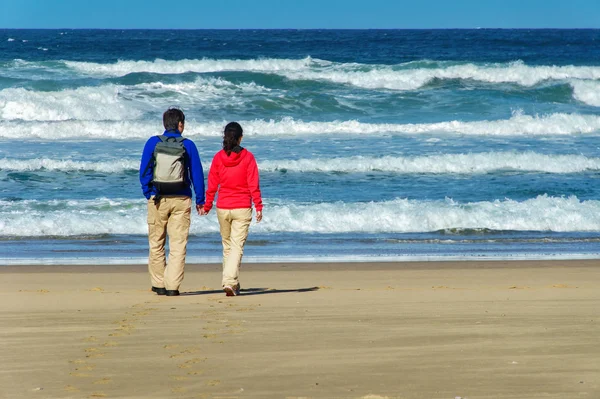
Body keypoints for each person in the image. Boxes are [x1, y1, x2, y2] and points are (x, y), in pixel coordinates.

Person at [139, 108, 204, 297]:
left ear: (164, 124)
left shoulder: (153, 142)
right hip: (182, 199)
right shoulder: (188, 145)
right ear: (180, 124)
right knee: (177, 244)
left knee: (156, 242)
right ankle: (172, 286)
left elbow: (144, 171)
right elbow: (197, 174)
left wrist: (148, 193)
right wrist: (200, 199)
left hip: (158, 198)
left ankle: (159, 284)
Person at [201, 122, 263, 296]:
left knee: (228, 246)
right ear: (240, 138)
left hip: (223, 207)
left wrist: (207, 205)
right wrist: (258, 205)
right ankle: (229, 281)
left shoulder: (218, 157)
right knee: (236, 247)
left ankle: (233, 284)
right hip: (242, 207)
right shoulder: (248, 157)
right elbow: (253, 184)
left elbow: (212, 185)